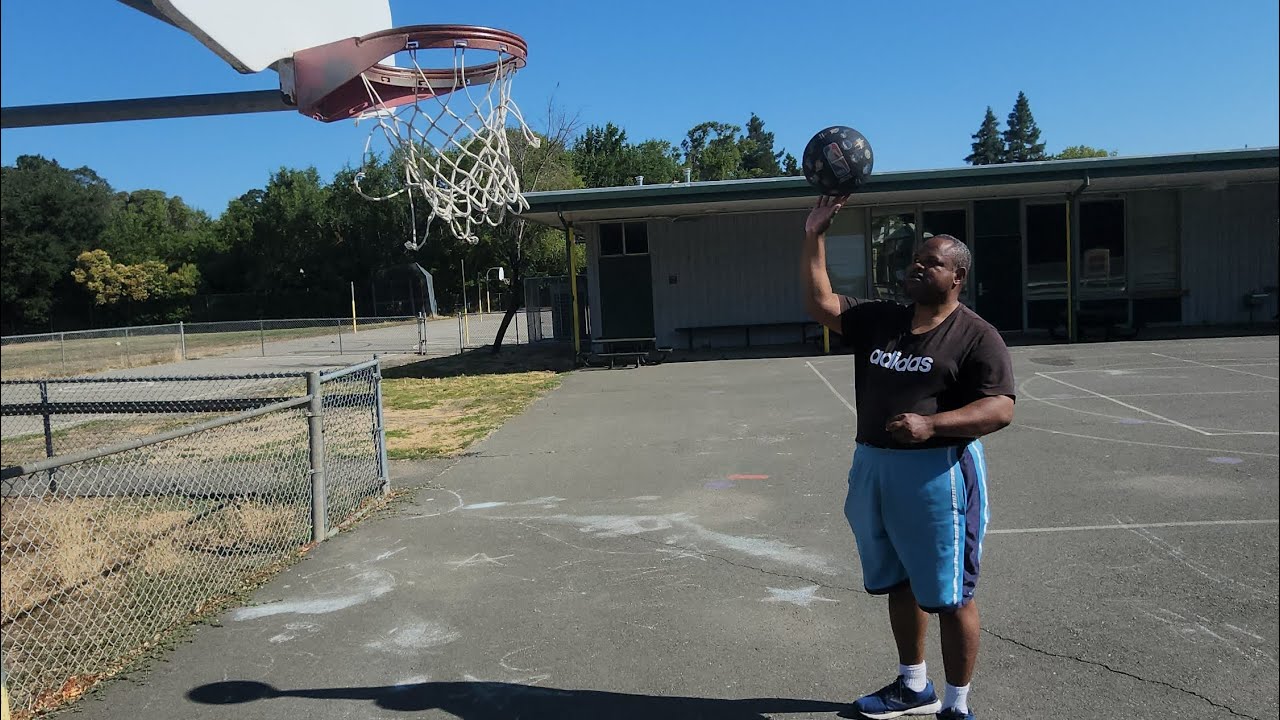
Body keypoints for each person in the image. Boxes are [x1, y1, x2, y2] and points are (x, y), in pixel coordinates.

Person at [801, 195, 1016, 720]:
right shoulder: (884, 320)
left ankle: (957, 706)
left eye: (932, 262)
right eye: (915, 260)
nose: (917, 267)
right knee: (898, 581)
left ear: (958, 276)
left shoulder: (975, 335)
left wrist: (933, 424)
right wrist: (814, 236)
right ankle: (912, 686)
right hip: (874, 465)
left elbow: (1000, 408)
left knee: (951, 593)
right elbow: (822, 304)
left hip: (937, 474)